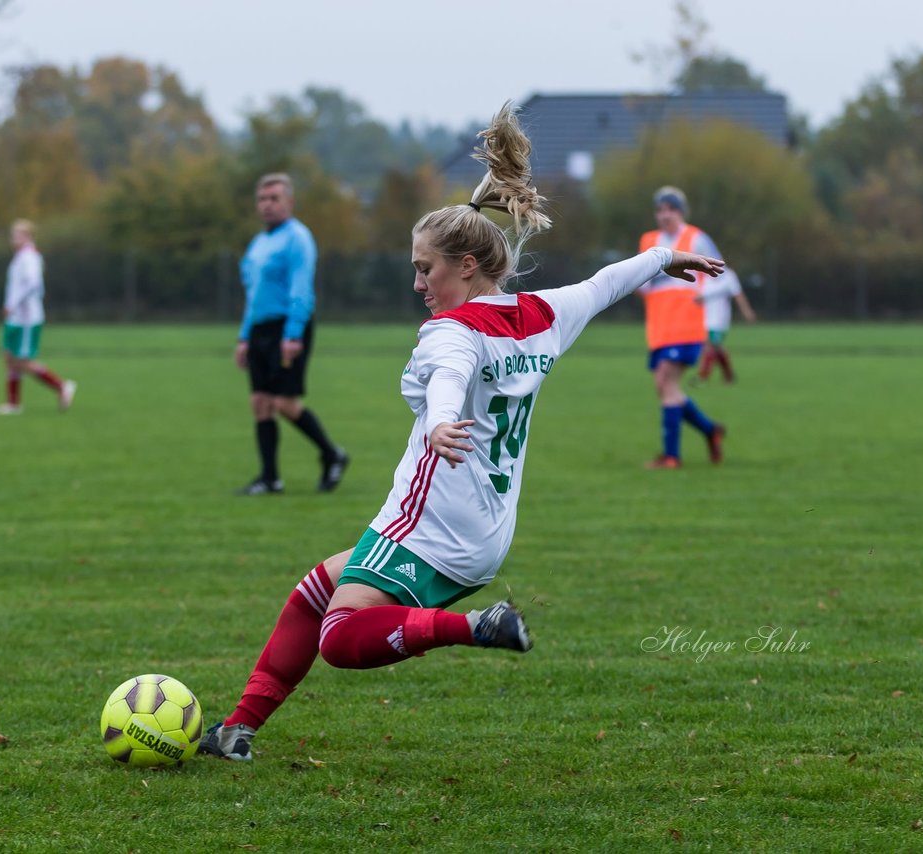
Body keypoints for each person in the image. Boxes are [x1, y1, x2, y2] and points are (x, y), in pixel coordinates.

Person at [197, 105, 724, 761]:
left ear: (468, 266)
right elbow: (608, 281)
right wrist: (670, 257)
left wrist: (443, 419)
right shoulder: (545, 314)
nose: (419, 283)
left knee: (337, 635)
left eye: (426, 269)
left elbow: (451, 373)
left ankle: (477, 627)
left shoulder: (449, 332)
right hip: (487, 531)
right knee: (312, 593)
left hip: (428, 522)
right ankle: (238, 730)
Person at [234, 173, 349, 495]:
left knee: (284, 403)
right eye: (262, 199)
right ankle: (270, 478)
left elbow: (301, 289)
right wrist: (244, 337)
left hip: (287, 327)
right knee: (259, 402)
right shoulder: (258, 243)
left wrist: (293, 334)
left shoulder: (298, 238)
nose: (267, 205)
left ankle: (332, 453)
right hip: (259, 330)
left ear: (289, 202)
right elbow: (253, 295)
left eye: (274, 198)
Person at [636, 187, 726, 469]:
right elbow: (641, 280)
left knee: (665, 381)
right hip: (659, 327)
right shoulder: (649, 240)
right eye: (660, 210)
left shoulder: (696, 238)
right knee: (665, 386)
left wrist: (706, 299)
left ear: (681, 212)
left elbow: (723, 275)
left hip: (686, 326)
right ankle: (710, 430)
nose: (665, 215)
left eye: (670, 209)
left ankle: (671, 456)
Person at [0, 219, 76, 416]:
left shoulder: (30, 257)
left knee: (22, 361)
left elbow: (33, 284)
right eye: (13, 235)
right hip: (15, 318)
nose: (13, 239)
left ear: (28, 237)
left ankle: (62, 386)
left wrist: (12, 304)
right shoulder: (20, 257)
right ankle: (13, 404)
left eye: (18, 235)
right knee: (10, 358)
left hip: (26, 318)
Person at [695, 265, 757, 383]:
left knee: (710, 345)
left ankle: (703, 376)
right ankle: (728, 374)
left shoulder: (728, 275)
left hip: (719, 319)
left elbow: (738, 295)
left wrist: (747, 311)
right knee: (715, 347)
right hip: (704, 318)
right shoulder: (703, 275)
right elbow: (698, 297)